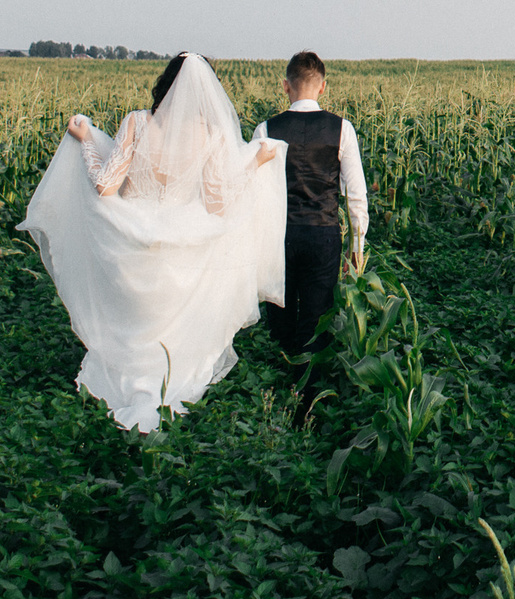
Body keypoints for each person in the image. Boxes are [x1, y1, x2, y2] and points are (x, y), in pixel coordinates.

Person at [18, 52, 287, 432]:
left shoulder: (139, 123)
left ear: (165, 83)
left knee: (133, 321)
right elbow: (217, 202)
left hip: (133, 237)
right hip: (181, 242)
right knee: (167, 325)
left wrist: (86, 142)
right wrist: (255, 163)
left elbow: (105, 185)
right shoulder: (210, 135)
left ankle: (132, 387)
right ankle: (161, 389)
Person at [247, 50, 368, 363]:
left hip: (279, 236)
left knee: (280, 312)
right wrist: (357, 248)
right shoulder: (342, 129)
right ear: (323, 87)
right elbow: (356, 195)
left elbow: (251, 191)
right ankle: (308, 390)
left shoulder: (265, 129)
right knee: (316, 318)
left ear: (285, 86)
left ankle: (280, 381)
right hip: (323, 233)